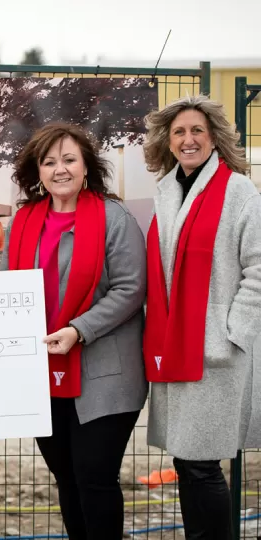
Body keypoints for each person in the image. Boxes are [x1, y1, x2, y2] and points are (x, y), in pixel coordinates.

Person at [0, 123, 148, 539]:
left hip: (104, 375)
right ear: (38, 171)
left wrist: (79, 330)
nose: (59, 169)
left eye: (69, 159)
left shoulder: (114, 218)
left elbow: (132, 289)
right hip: (41, 372)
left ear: (86, 167)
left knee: (93, 476)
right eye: (49, 162)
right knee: (67, 477)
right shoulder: (24, 220)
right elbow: (15, 279)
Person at [142, 94, 261, 539]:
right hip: (176, 344)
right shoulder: (167, 191)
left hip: (217, 353)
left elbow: (259, 267)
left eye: (196, 131)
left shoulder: (238, 191)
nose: (187, 139)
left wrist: (233, 331)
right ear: (167, 141)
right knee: (187, 461)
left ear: (213, 137)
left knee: (201, 462)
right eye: (178, 132)